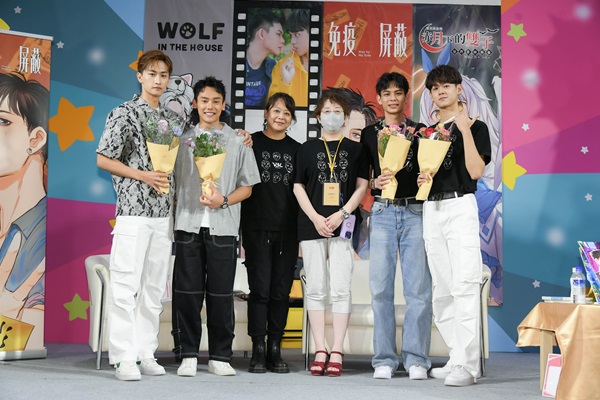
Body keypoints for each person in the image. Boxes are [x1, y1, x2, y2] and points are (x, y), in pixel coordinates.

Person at [172, 76, 260, 377]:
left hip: (224, 227)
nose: (210, 106)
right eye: (204, 100)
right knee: (187, 293)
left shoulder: (238, 141)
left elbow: (247, 187)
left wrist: (223, 201)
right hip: (188, 224)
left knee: (221, 294)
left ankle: (221, 356)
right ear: (195, 103)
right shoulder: (181, 140)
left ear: (223, 105)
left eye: (216, 101)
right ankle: (188, 354)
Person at [96, 49, 175, 381]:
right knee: (125, 285)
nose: (157, 81)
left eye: (163, 75)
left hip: (163, 214)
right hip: (133, 211)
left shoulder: (170, 119)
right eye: (152, 74)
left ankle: (145, 352)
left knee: (154, 288)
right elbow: (103, 158)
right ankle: (123, 357)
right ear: (140, 76)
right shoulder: (123, 113)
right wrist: (143, 176)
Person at [417, 64, 491, 387]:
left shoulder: (476, 126)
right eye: (435, 88)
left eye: (447, 86)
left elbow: (475, 171)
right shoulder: (426, 132)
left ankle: (469, 366)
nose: (441, 91)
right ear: (431, 95)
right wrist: (422, 180)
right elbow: (426, 174)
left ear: (459, 89)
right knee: (442, 289)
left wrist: (463, 130)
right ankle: (456, 356)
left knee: (464, 284)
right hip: (431, 208)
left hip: (461, 206)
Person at [360, 72, 432, 381]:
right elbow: (362, 177)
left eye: (398, 92)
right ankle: (384, 359)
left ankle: (416, 359)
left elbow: (431, 170)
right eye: (387, 93)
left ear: (406, 96)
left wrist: (427, 179)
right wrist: (374, 183)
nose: (392, 98)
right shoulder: (369, 133)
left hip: (416, 211)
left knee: (419, 289)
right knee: (381, 289)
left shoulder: (421, 132)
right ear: (379, 98)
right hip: (383, 212)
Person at [293, 92, 369, 377]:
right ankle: (320, 348)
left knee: (340, 288)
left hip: (344, 224)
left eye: (338, 111)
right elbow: (298, 186)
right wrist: (315, 217)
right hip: (311, 225)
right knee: (315, 287)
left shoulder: (357, 149)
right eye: (327, 111)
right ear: (318, 117)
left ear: (346, 118)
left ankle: (337, 349)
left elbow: (362, 186)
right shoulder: (306, 148)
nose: (332, 116)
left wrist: (343, 214)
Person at [241, 93, 301, 373]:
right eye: (276, 111)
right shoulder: (250, 143)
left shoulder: (298, 150)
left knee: (281, 292)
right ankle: (258, 348)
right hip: (256, 228)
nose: (280, 117)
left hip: (288, 230)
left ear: (292, 119)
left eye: (287, 113)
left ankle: (275, 349)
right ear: (266, 113)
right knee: (259, 290)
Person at [0, 72, 48, 350]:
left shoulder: (40, 239)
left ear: (36, 138)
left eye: (3, 121)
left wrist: (6, 318)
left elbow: (24, 346)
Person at [323, 87, 377, 257]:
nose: (345, 139)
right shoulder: (308, 155)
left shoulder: (369, 224)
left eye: (355, 135)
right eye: (341, 127)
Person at [268, 9, 310, 107]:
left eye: (297, 35)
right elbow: (273, 106)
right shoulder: (281, 66)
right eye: (291, 35)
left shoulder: (329, 64)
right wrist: (285, 82)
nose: (292, 41)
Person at [245, 10, 285, 108]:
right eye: (278, 34)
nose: (283, 40)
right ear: (262, 34)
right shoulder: (233, 62)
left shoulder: (273, 66)